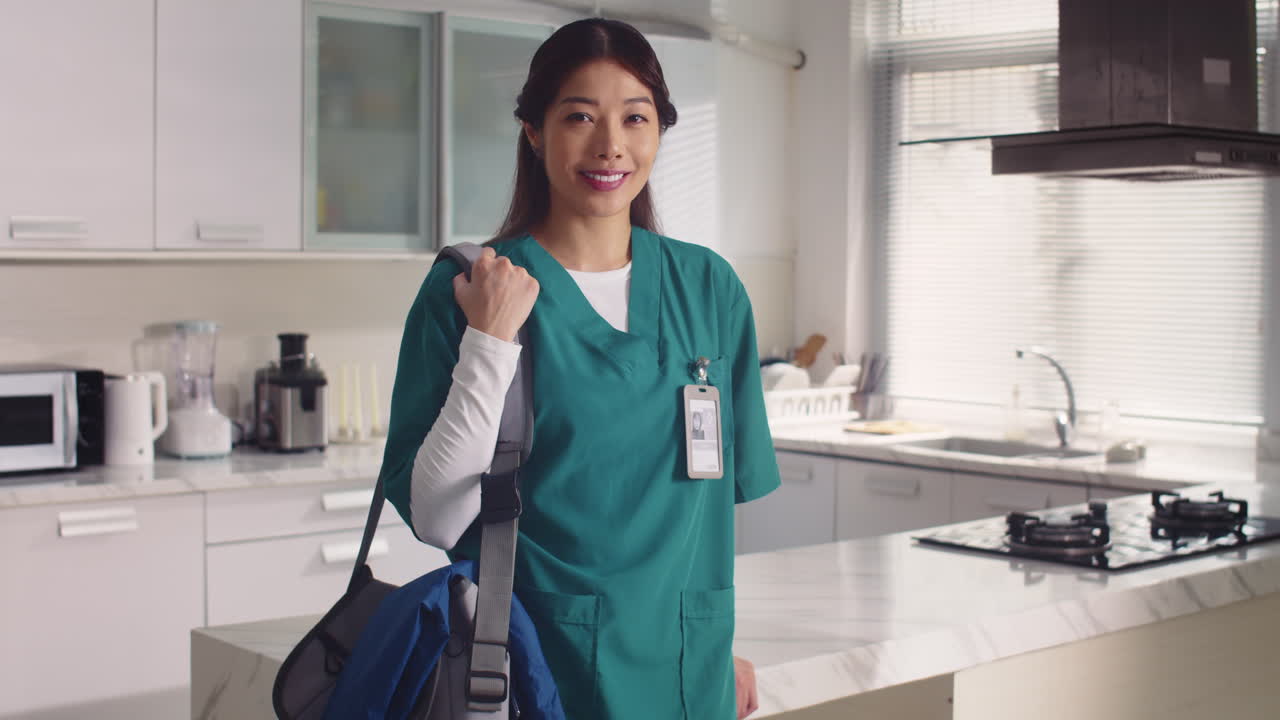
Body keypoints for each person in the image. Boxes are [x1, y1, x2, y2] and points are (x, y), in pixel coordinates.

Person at [380, 17, 781, 720]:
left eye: (635, 117)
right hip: (536, 672)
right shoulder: (472, 290)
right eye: (579, 117)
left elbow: (706, 519)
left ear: (660, 131)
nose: (610, 146)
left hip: (691, 675)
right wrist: (490, 345)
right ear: (534, 131)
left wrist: (720, 648)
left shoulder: (711, 289)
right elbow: (438, 520)